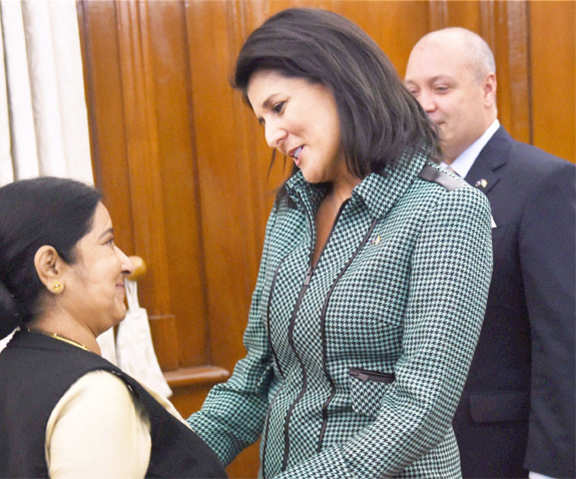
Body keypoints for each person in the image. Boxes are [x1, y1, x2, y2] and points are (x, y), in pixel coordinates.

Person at [188, 8, 493, 478]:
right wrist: (162, 462)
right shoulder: (291, 210)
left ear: (338, 80)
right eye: (260, 120)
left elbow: (420, 409)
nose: (271, 136)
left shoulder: (446, 209)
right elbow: (254, 379)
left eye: (279, 107)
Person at [0, 177, 227, 478]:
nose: (127, 263)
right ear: (51, 267)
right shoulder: (94, 394)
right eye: (108, 242)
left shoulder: (5, 373)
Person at [405, 27, 575, 479]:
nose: (425, 105)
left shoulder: (543, 183)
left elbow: (562, 341)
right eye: (413, 91)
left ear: (487, 87)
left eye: (441, 88)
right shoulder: (409, 192)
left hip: (502, 454)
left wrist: (552, 469)